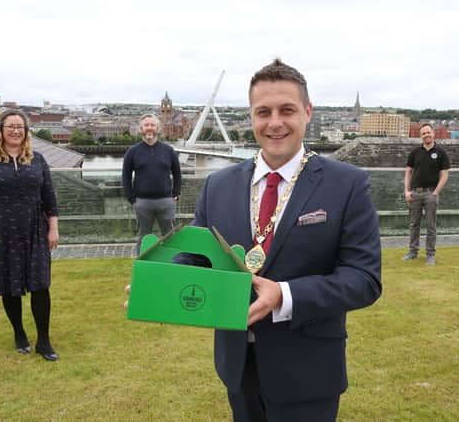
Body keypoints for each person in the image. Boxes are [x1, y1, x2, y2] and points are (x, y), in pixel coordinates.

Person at [128, 59, 382, 421]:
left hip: (308, 371)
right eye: (263, 111)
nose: (275, 122)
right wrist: (162, 282)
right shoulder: (219, 185)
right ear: (251, 117)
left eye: (287, 110)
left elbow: (364, 279)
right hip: (237, 366)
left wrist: (285, 295)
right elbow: (200, 257)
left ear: (307, 113)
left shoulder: (347, 184)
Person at [0, 108, 60, 361]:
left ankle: (43, 340)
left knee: (40, 285)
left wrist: (53, 228)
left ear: (26, 131)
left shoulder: (38, 159)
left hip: (35, 230)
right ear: (0, 130)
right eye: (11, 126)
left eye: (20, 126)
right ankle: (19, 333)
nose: (16, 130)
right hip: (1, 232)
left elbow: (50, 198)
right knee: (10, 286)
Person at [122, 113, 181, 253]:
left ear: (158, 128)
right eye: (146, 125)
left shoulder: (169, 151)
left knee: (170, 237)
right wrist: (132, 199)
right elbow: (125, 177)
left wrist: (175, 195)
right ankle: (143, 266)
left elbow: (177, 174)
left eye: (152, 125)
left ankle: (172, 265)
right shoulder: (132, 152)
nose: (149, 128)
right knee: (144, 237)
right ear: (141, 129)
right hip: (142, 202)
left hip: (166, 201)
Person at [402, 123, 450, 265]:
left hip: (431, 193)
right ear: (420, 135)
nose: (426, 135)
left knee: (431, 226)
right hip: (415, 193)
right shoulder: (415, 152)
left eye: (428, 132)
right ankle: (413, 251)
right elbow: (408, 172)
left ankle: (430, 254)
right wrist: (406, 190)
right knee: (413, 224)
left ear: (433, 133)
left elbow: (445, 175)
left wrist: (436, 192)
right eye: (423, 133)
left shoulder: (441, 153)